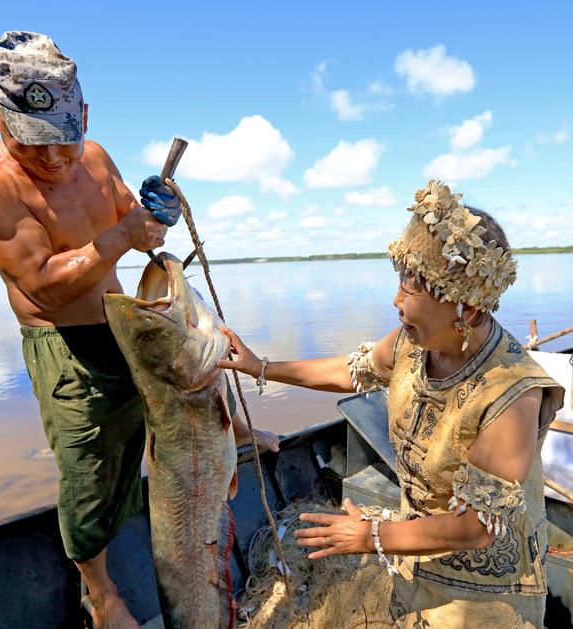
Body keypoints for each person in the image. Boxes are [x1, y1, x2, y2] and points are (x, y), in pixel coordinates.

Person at [0, 31, 277, 629]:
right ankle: (100, 592)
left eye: (65, 142)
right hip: (67, 349)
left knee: (183, 402)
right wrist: (121, 237)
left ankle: (227, 441)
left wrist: (156, 216)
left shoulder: (97, 158)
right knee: (90, 472)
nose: (54, 159)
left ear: (85, 117)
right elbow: (45, 286)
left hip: (127, 327)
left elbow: (140, 228)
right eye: (33, 143)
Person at [218, 180, 564, 628]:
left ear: (469, 310)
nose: (396, 301)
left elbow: (476, 526)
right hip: (413, 564)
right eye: (401, 281)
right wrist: (259, 366)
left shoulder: (510, 393)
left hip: (483, 603)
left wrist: (370, 535)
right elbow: (350, 370)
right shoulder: (413, 344)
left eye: (414, 289)